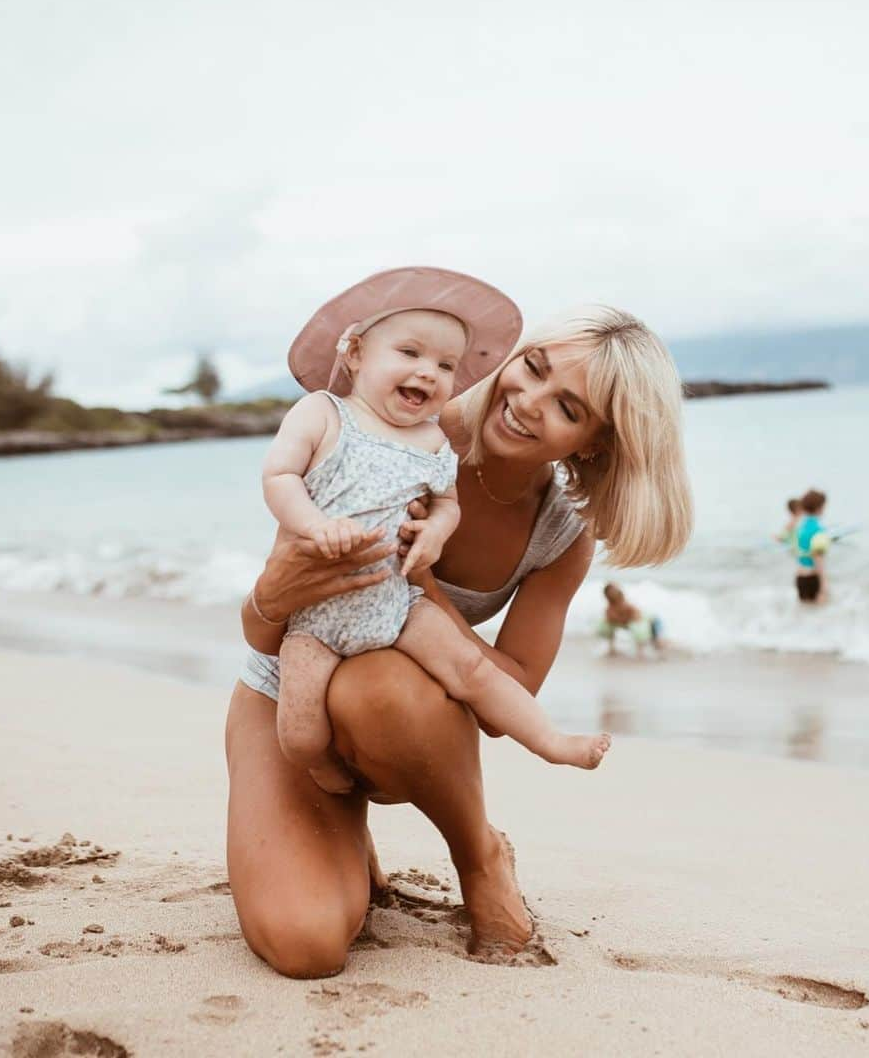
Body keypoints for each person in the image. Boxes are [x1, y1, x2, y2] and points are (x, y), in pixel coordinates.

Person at [227, 274, 693, 978]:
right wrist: (272, 594)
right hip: (287, 690)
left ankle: (480, 854)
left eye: (567, 406)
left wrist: (422, 592)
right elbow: (267, 631)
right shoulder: (398, 422)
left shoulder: (559, 534)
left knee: (381, 685)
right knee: (306, 943)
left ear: (595, 443)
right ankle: (341, 835)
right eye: (532, 369)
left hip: (402, 720)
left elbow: (509, 698)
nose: (528, 403)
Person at [262, 279, 610, 793]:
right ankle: (323, 773)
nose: (427, 372)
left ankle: (551, 741)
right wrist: (316, 527)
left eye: (446, 366)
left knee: (473, 669)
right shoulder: (324, 415)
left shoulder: (431, 439)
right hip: (319, 616)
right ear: (355, 353)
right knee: (300, 729)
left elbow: (447, 503)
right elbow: (279, 479)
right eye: (408, 353)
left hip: (398, 603)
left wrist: (433, 541)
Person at [597, 582, 665, 656]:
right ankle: (612, 648)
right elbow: (610, 619)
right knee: (607, 626)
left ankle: (645, 651)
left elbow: (637, 617)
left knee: (655, 641)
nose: (612, 592)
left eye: (613, 590)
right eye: (610, 591)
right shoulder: (609, 608)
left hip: (651, 620)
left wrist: (624, 618)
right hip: (631, 620)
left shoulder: (626, 604)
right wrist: (620, 619)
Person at [794, 489, 830, 604]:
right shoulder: (818, 530)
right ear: (819, 507)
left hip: (800, 577)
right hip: (812, 578)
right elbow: (817, 558)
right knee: (818, 615)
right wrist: (823, 588)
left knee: (806, 613)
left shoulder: (800, 528)